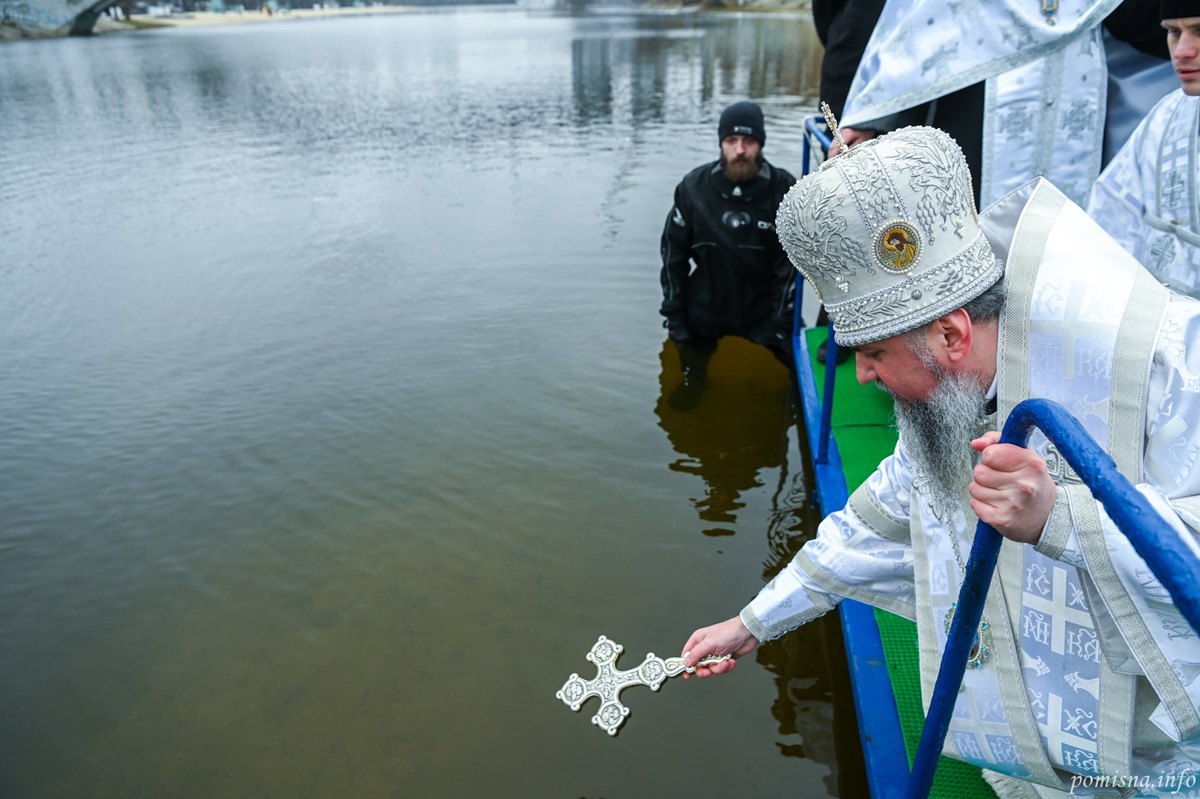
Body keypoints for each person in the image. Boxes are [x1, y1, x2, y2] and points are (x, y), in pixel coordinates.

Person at [680, 126, 1200, 798]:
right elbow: (881, 515)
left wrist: (1059, 518)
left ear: (951, 333)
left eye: (873, 353)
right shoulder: (947, 397)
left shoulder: (1162, 365)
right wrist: (751, 623)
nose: (861, 376)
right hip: (1049, 757)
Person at [830, 0, 1175, 210]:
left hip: (1087, 102)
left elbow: (1155, 27)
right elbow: (914, 35)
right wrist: (879, 114)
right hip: (973, 105)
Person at [659, 101, 797, 406]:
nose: (740, 150)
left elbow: (791, 264)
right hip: (707, 303)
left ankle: (794, 407)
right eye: (731, 141)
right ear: (721, 144)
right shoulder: (693, 188)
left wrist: (782, 320)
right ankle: (694, 382)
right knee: (690, 354)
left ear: (760, 144)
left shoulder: (785, 189)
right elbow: (673, 256)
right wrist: (674, 315)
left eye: (748, 141)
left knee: (794, 364)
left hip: (762, 309)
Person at [1088, 2, 1200, 300]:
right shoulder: (1167, 119)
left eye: (1199, 31)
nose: (1182, 52)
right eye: (1174, 32)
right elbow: (1106, 232)